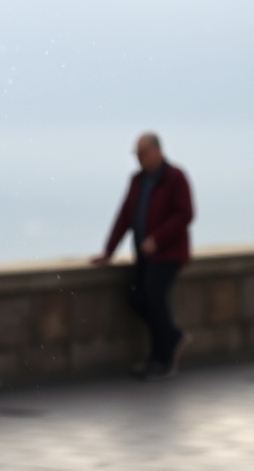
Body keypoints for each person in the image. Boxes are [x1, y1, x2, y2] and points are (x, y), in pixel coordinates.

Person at [90, 132, 194, 381]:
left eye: (143, 153)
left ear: (158, 151)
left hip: (169, 253)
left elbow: (185, 214)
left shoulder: (175, 177)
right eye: (136, 154)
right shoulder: (137, 180)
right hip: (145, 255)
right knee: (137, 296)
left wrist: (157, 238)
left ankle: (162, 359)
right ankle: (171, 339)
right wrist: (109, 251)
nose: (139, 159)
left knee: (154, 297)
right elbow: (125, 216)